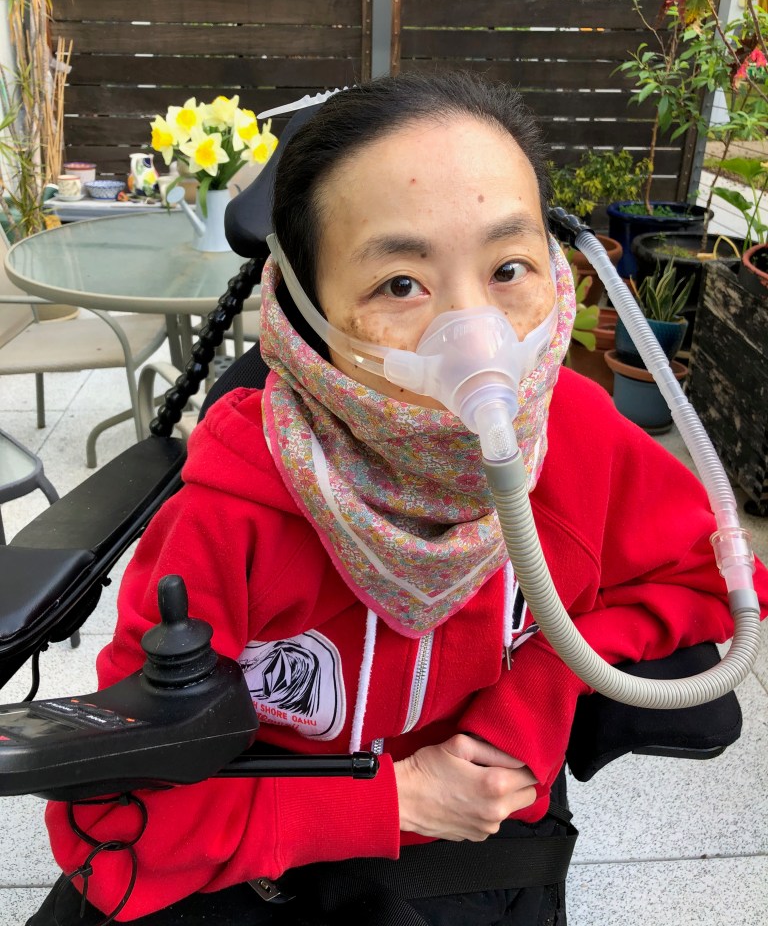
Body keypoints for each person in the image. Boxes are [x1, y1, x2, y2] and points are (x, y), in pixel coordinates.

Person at [30, 73, 768, 926]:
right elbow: (110, 828)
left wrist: (544, 684)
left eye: (509, 268)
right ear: (305, 313)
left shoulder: (578, 439)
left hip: (472, 866)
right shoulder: (228, 519)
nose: (475, 331)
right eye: (400, 284)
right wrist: (399, 800)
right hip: (270, 867)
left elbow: (721, 582)